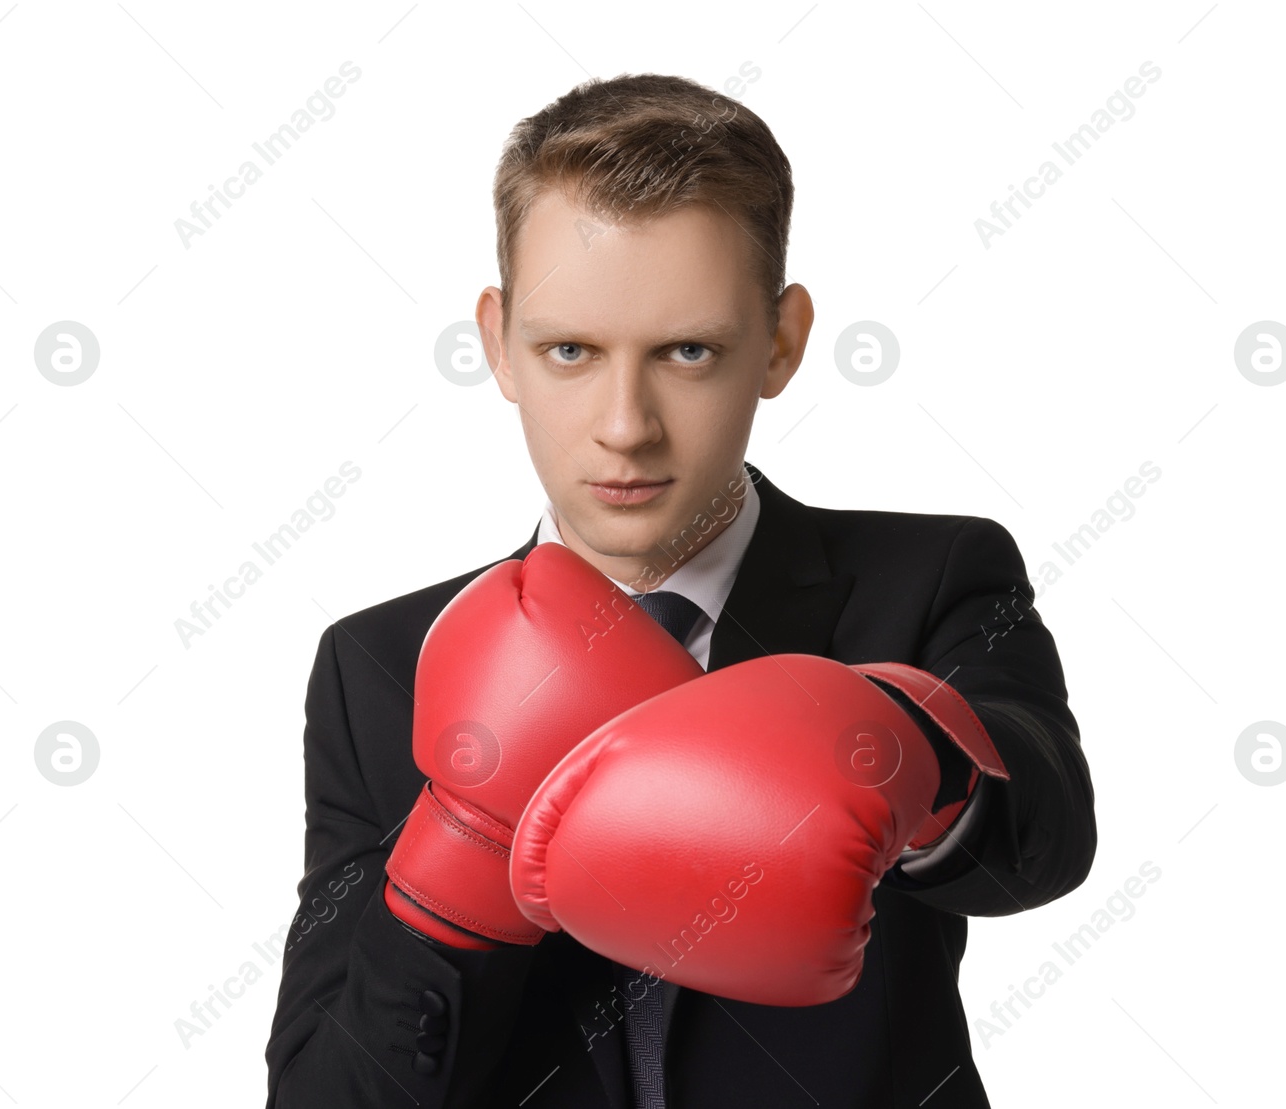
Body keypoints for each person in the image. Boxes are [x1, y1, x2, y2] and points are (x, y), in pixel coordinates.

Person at [264, 72, 1096, 1108]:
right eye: (569, 349)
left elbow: (1046, 839)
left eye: (687, 351)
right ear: (497, 342)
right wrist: (452, 876)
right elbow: (328, 1095)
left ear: (781, 341)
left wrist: (900, 746)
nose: (625, 424)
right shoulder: (382, 662)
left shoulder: (927, 578)